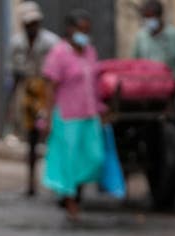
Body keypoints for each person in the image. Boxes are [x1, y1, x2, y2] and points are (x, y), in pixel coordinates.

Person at [39, 9, 105, 220]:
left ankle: (73, 190)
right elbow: (51, 87)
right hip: (67, 116)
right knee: (69, 160)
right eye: (81, 30)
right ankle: (70, 200)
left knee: (94, 157)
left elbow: (94, 83)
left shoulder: (90, 52)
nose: (84, 35)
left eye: (87, 31)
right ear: (70, 30)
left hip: (89, 113)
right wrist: (48, 118)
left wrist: (101, 108)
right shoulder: (59, 53)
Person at [132, 0, 175, 192]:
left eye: (152, 17)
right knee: (147, 135)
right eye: (146, 17)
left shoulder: (174, 36)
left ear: (160, 17)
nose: (149, 21)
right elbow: (134, 66)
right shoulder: (140, 37)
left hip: (170, 95)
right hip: (146, 97)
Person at [9, 1, 59, 197]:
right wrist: (11, 104)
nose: (32, 27)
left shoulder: (51, 42)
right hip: (29, 91)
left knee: (51, 136)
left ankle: (57, 182)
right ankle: (31, 183)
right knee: (30, 138)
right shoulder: (17, 43)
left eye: (35, 23)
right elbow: (15, 74)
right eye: (29, 23)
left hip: (46, 90)